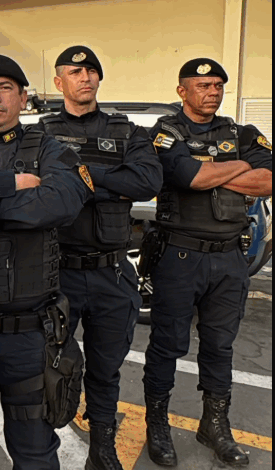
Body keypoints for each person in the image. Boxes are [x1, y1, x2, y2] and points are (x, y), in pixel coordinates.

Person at [0, 54, 93, 470]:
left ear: (24, 98)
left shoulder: (51, 149)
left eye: (5, 88)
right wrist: (9, 186)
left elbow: (59, 203)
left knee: (35, 453)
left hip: (31, 335)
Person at [33, 46, 163, 470]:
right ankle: (41, 450)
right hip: (56, 274)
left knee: (106, 370)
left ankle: (101, 448)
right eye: (75, 72)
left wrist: (79, 176)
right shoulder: (40, 132)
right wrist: (111, 182)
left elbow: (147, 181)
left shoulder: (126, 131)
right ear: (59, 82)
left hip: (111, 274)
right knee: (50, 365)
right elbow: (33, 184)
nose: (85, 77)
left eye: (91, 70)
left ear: (99, 79)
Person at [143, 58, 272, 467]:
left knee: (220, 346)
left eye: (217, 85)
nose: (212, 92)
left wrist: (212, 170)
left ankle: (215, 425)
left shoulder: (241, 133)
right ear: (182, 91)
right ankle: (157, 424)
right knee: (167, 345)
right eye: (203, 85)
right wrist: (240, 167)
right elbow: (188, 178)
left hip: (230, 259)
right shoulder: (166, 132)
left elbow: (269, 180)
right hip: (179, 257)